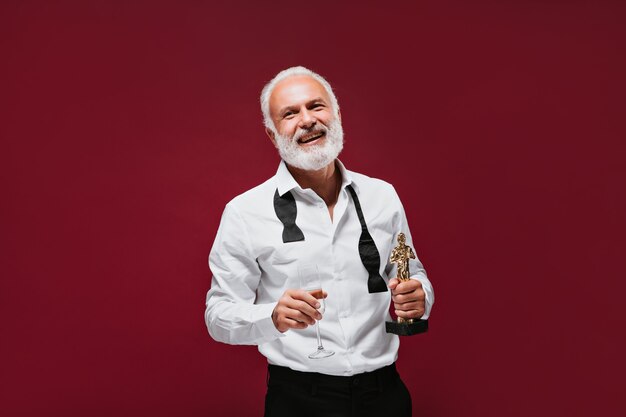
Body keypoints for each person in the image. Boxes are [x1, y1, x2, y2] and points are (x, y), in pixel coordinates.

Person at [205, 66, 434, 417]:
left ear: (337, 115)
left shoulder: (382, 196)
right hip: (300, 399)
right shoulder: (243, 212)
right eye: (290, 113)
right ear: (272, 134)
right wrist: (273, 316)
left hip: (385, 394)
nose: (307, 120)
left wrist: (420, 295)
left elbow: (409, 269)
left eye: (316, 106)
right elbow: (218, 316)